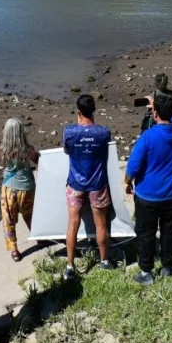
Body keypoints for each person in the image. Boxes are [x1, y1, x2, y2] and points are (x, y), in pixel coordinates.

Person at [126, 92, 172, 285]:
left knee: (146, 234)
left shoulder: (148, 136)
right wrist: (158, 107)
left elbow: (133, 166)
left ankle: (146, 271)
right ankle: (168, 266)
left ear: (155, 114)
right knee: (169, 230)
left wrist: (127, 182)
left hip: (149, 194)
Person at [63, 94, 115, 278]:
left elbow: (67, 151)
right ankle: (104, 261)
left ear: (78, 112)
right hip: (97, 183)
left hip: (75, 182)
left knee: (73, 224)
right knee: (101, 225)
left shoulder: (69, 132)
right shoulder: (103, 132)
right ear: (94, 111)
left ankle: (70, 266)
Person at [0, 118, 39, 262]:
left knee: (9, 221)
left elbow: (4, 165)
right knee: (31, 216)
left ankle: (14, 251)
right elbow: (37, 160)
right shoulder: (28, 150)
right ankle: (39, 238)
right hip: (27, 187)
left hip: (9, 188)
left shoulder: (3, 149)